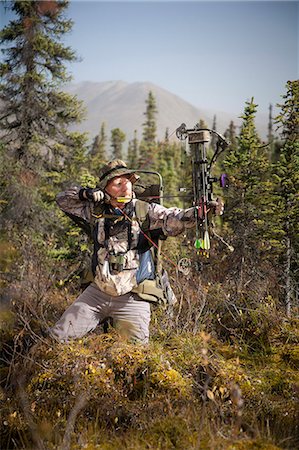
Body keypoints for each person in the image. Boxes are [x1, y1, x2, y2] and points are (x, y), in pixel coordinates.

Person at [50, 159, 224, 344]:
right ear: (105, 189)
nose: (126, 186)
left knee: (137, 354)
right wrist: (86, 194)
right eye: (118, 183)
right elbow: (62, 199)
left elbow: (175, 217)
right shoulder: (94, 209)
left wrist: (200, 212)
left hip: (132, 297)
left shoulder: (144, 210)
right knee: (56, 338)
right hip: (97, 293)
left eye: (128, 180)